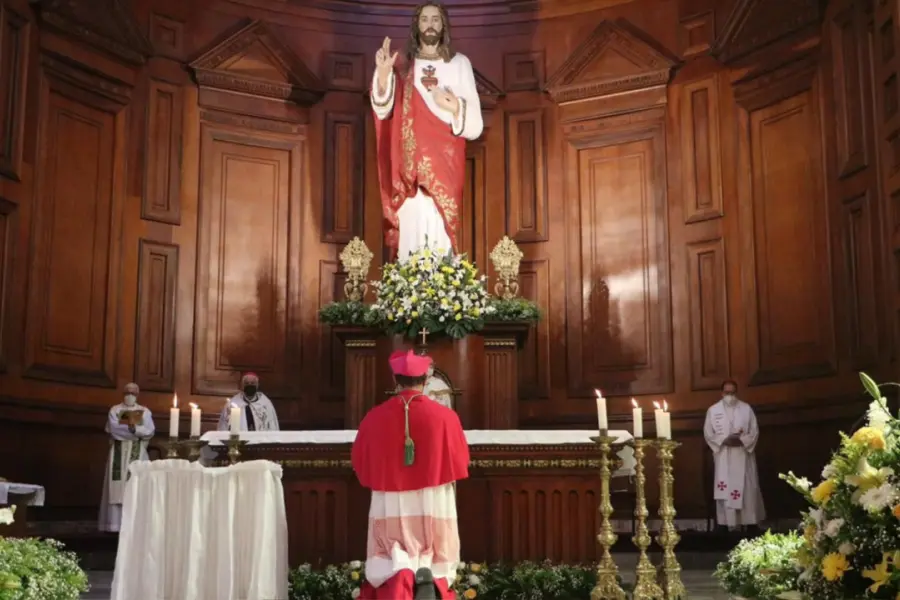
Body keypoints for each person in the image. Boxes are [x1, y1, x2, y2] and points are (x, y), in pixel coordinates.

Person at [352, 349, 470, 600]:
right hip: (432, 495)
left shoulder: (374, 417)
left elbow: (359, 460)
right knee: (434, 540)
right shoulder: (446, 417)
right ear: (425, 381)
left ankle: (400, 571)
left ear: (395, 381)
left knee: (392, 543)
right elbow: (461, 459)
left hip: (390, 496)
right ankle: (430, 574)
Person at [371, 1, 483, 261]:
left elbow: (475, 125)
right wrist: (384, 74)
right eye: (425, 19)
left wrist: (456, 107)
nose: (430, 24)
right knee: (412, 219)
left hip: (446, 159)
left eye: (435, 19)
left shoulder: (459, 63)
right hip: (408, 163)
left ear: (443, 25)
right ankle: (409, 288)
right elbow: (382, 110)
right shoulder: (402, 65)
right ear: (416, 26)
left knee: (439, 224)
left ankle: (444, 288)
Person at [703, 379, 766, 531]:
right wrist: (723, 440)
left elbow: (754, 431)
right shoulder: (713, 410)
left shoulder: (746, 409)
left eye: (732, 392)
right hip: (723, 456)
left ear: (736, 392)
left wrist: (742, 440)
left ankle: (750, 522)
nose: (729, 395)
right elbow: (708, 433)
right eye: (727, 392)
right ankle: (725, 524)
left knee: (747, 488)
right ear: (721, 392)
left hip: (743, 455)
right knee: (725, 488)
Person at [99, 382, 155, 532]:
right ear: (123, 393)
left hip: (137, 452)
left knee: (135, 485)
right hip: (118, 450)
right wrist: (134, 431)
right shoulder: (115, 410)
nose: (130, 395)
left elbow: (149, 430)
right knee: (116, 486)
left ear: (137, 394)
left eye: (133, 392)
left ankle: (136, 524)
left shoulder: (144, 411)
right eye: (127, 392)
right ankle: (115, 525)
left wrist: (134, 429)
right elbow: (114, 429)